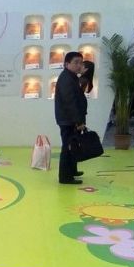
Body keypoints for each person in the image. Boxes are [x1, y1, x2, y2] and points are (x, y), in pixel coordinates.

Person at [55, 51, 86, 184]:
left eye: (81, 62)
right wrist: (78, 121)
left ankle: (72, 171)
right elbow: (70, 102)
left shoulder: (71, 77)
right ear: (67, 64)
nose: (79, 65)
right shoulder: (66, 79)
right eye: (76, 62)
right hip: (69, 120)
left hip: (70, 119)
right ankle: (65, 177)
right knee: (67, 148)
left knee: (73, 146)